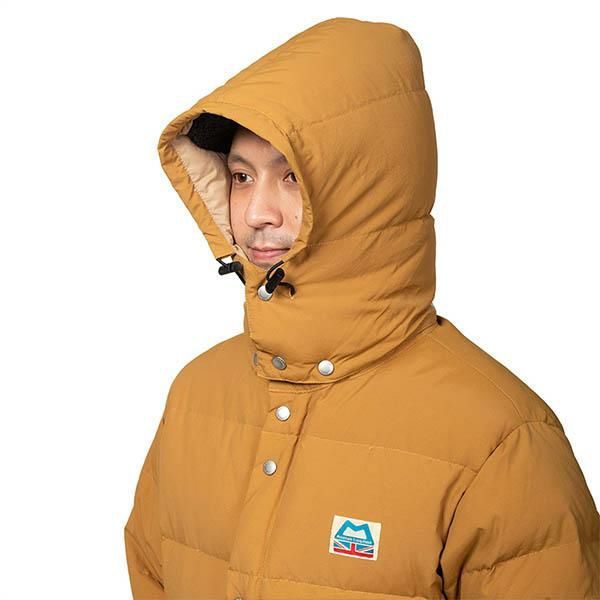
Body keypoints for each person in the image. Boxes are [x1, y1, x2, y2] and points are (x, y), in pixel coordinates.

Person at [123, 16, 600, 599]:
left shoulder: (501, 439)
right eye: (242, 177)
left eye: (291, 176)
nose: (255, 213)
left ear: (374, 189)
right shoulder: (197, 396)